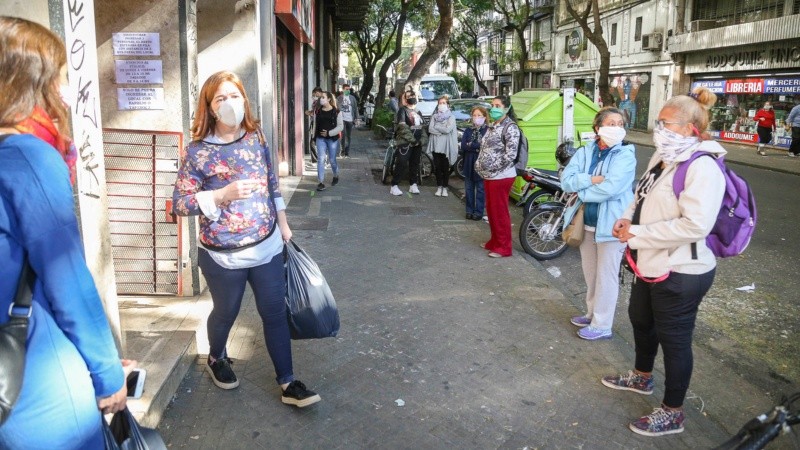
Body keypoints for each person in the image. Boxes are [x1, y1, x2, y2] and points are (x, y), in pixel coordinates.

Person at [0, 16, 131, 449]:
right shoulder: (27, 158)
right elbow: (67, 279)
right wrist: (107, 372)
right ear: (29, 83)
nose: (63, 90)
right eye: (58, 76)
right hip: (35, 382)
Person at [172, 70, 320, 408]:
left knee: (274, 312)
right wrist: (220, 194)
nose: (229, 103)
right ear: (210, 108)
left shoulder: (257, 137)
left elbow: (272, 183)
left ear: (244, 100)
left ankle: (288, 382)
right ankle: (216, 357)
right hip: (223, 254)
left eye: (234, 96)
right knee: (227, 311)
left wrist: (283, 224)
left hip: (267, 244)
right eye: (220, 98)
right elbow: (179, 204)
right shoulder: (197, 152)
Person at [605, 86, 726, 436]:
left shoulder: (703, 167)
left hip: (683, 270)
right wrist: (626, 218)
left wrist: (637, 234)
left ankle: (673, 412)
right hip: (649, 261)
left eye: (666, 123)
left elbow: (695, 226)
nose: (659, 129)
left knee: (675, 341)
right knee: (641, 319)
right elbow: (641, 194)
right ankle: (642, 377)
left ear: (690, 128)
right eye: (658, 122)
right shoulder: (664, 155)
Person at [560, 107, 636, 341]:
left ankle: (602, 325)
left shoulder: (625, 155)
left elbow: (612, 188)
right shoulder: (585, 151)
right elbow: (566, 181)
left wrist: (582, 191)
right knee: (591, 274)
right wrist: (593, 179)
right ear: (598, 127)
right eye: (611, 123)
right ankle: (591, 314)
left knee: (607, 276)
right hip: (587, 223)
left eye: (620, 124)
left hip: (612, 225)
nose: (617, 128)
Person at [474, 96, 519, 257]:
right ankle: (495, 241)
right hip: (490, 176)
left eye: (498, 106)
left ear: (506, 108)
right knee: (492, 211)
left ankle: (504, 247)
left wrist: (493, 167)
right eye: (492, 105)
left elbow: (510, 155)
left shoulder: (510, 127)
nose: (494, 108)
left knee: (500, 212)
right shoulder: (494, 125)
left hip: (502, 176)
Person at [390, 90, 428, 196]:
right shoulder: (402, 111)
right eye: (409, 96)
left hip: (417, 143)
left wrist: (421, 141)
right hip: (405, 143)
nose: (411, 97)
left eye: (413, 95)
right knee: (401, 163)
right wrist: (412, 140)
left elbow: (423, 127)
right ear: (405, 99)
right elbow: (402, 127)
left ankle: (413, 184)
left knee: (415, 163)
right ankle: (394, 185)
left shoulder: (418, 111)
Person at [460, 106, 489, 220]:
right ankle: (469, 210)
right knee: (469, 188)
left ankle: (478, 212)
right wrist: (475, 146)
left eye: (479, 115)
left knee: (481, 189)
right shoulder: (468, 130)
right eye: (474, 115)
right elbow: (463, 145)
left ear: (484, 117)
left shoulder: (487, 130)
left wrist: (471, 145)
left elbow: (484, 146)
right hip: (468, 162)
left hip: (481, 163)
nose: (476, 117)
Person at [427, 95, 458, 197]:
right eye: (440, 103)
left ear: (448, 105)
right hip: (436, 145)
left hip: (446, 146)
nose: (442, 105)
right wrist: (441, 130)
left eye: (444, 103)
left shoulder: (451, 117)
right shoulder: (434, 116)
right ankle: (439, 186)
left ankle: (445, 187)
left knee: (445, 167)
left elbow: (448, 129)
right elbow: (430, 129)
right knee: (437, 167)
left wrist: (437, 127)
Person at [314, 91, 343, 192]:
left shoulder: (337, 111)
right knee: (321, 159)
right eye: (320, 97)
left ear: (329, 99)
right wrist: (314, 137)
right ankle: (321, 182)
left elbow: (340, 127)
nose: (321, 99)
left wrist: (329, 133)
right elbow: (315, 124)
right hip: (320, 138)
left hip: (332, 139)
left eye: (323, 97)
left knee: (332, 160)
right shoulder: (318, 111)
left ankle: (335, 175)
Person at [337, 84, 359, 157]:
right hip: (342, 119)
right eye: (346, 89)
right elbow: (336, 108)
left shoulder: (352, 98)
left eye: (349, 89)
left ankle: (347, 152)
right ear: (343, 89)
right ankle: (342, 152)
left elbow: (355, 108)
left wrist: (357, 118)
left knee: (348, 136)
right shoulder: (339, 98)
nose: (348, 90)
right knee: (342, 136)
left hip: (350, 119)